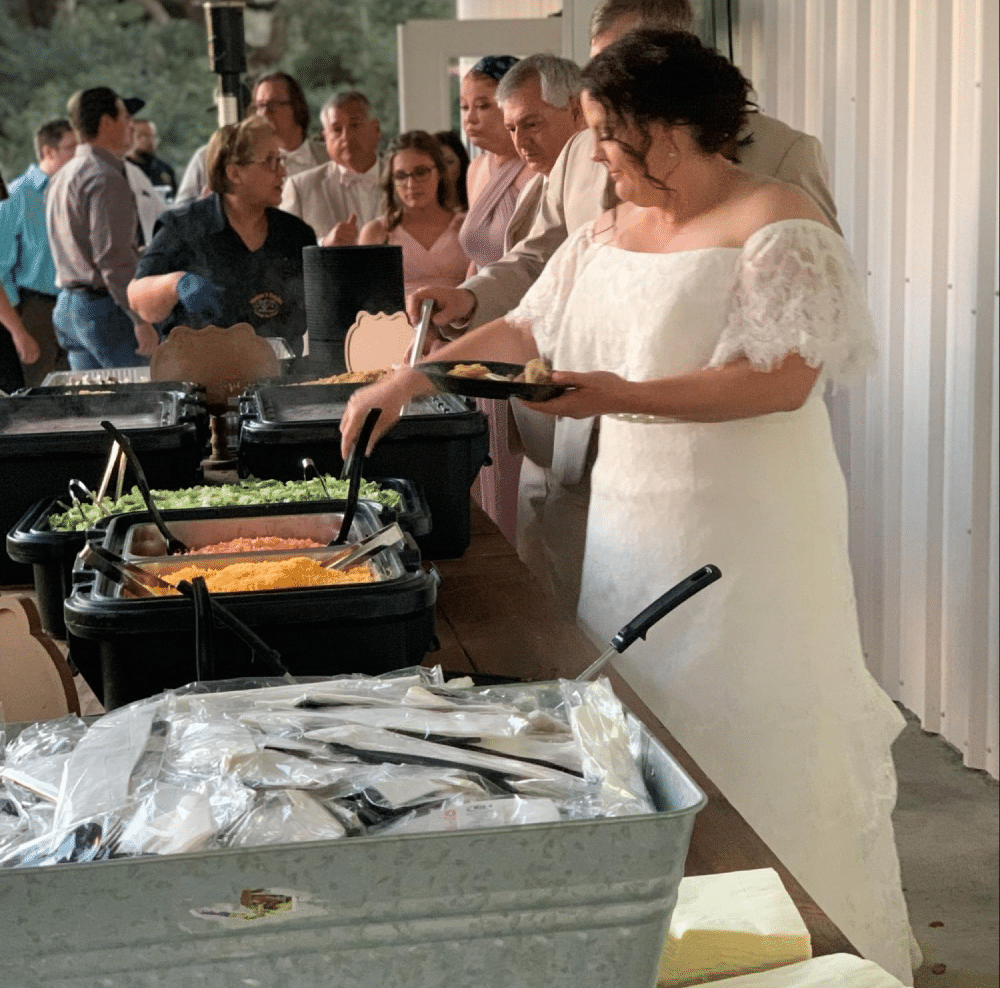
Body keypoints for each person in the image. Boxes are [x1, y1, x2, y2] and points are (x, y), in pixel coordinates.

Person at [341, 28, 914, 982]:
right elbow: (533, 322)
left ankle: (807, 950)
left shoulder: (778, 220)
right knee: (642, 728)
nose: (595, 155)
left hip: (749, 529)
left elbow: (779, 382)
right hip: (632, 522)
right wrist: (414, 378)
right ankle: (674, 940)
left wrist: (620, 395)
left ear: (673, 129)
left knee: (756, 731)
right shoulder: (609, 225)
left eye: (608, 134)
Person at [411, 0, 841, 615]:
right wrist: (459, 313)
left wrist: (628, 393)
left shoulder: (783, 162)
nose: (595, 143)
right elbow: (541, 270)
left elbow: (801, 328)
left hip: (725, 471)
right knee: (567, 615)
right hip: (574, 440)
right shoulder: (582, 156)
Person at [128, 117, 316, 357]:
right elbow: (137, 297)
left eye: (280, 160)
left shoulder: (296, 234)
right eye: (270, 161)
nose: (283, 172)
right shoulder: (184, 226)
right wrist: (177, 283)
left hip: (277, 376)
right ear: (235, 173)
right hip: (198, 375)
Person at [457, 55, 535, 547]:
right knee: (482, 463)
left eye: (483, 105)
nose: (470, 118)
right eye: (464, 105)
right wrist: (455, 315)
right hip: (477, 330)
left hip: (521, 331)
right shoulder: (475, 170)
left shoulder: (538, 174)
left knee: (514, 467)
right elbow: (478, 258)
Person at [46, 87, 159, 369]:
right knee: (141, 402)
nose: (130, 124)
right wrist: (140, 319)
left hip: (69, 307)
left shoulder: (62, 176)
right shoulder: (105, 178)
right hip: (105, 310)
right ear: (107, 122)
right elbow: (112, 258)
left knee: (97, 405)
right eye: (124, 116)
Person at [0, 119, 76, 386]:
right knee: (41, 393)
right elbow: (1, 267)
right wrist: (18, 323)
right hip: (35, 308)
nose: (79, 155)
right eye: (71, 147)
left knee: (78, 391)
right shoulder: (17, 196)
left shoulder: (73, 190)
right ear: (48, 151)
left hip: (74, 303)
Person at [357, 132, 467, 299]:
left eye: (421, 172)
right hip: (397, 323)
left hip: (463, 323)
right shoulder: (377, 232)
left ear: (440, 172)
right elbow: (366, 301)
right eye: (401, 175)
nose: (411, 184)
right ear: (391, 181)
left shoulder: (465, 225)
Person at [279, 91, 383, 245]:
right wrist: (324, 243)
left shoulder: (404, 177)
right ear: (325, 137)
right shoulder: (300, 188)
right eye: (336, 129)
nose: (346, 137)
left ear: (376, 129)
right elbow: (283, 249)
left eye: (354, 125)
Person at [252, 71, 327, 176]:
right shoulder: (254, 167)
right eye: (260, 106)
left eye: (273, 105)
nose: (264, 113)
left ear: (296, 106)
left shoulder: (330, 157)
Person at [127, 118, 177, 197]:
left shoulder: (166, 170)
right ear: (128, 138)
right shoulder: (121, 170)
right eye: (143, 135)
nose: (150, 140)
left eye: (153, 135)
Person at [434, 130, 470, 211]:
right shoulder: (424, 206)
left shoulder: (476, 198)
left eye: (449, 162)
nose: (443, 169)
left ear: (461, 162)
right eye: (438, 164)